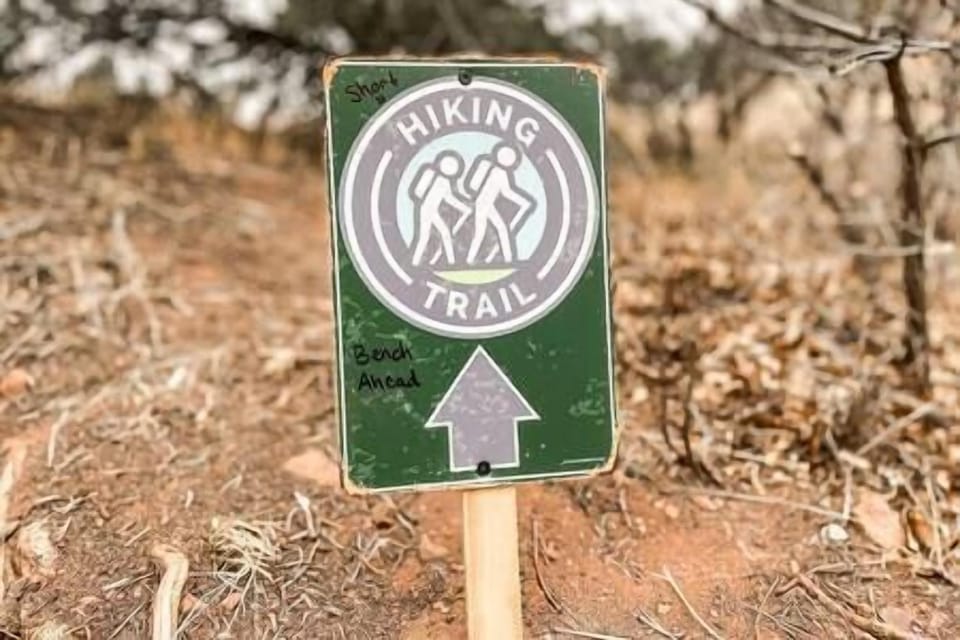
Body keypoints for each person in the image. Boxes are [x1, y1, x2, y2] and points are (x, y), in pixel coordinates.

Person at [464, 142, 533, 265]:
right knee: (481, 233)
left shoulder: (501, 172)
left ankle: (508, 259)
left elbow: (506, 192)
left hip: (487, 205)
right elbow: (507, 193)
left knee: (500, 229)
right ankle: (469, 260)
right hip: (482, 204)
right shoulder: (499, 172)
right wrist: (522, 201)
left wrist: (523, 201)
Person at [409, 151, 472, 266]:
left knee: (445, 233)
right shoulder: (431, 175)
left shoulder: (445, 182)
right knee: (424, 237)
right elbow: (418, 192)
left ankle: (451, 263)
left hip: (433, 211)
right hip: (426, 210)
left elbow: (448, 198)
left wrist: (464, 208)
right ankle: (415, 262)